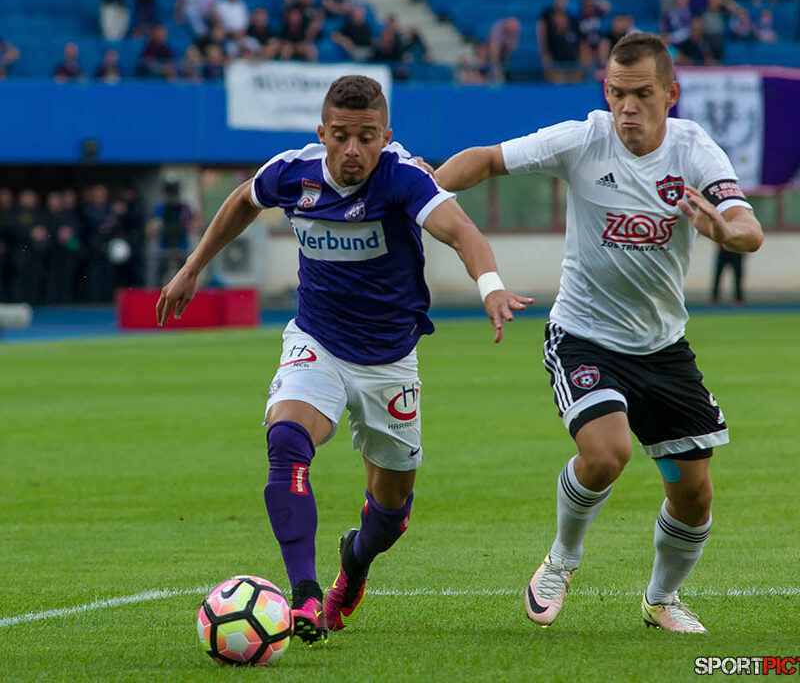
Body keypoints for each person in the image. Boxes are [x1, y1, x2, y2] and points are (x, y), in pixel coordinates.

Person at [156, 75, 531, 645]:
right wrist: (192, 266)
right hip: (318, 342)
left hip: (389, 364)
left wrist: (491, 287)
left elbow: (462, 232)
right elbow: (241, 201)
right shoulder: (293, 172)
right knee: (286, 440)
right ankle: (304, 596)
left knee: (389, 512)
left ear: (386, 136)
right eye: (340, 136)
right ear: (321, 134)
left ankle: (352, 565)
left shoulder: (404, 178)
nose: (352, 150)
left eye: (366, 137)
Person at [433, 33, 763, 633]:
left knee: (693, 495)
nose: (627, 107)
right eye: (617, 93)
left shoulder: (694, 150)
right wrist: (425, 199)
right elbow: (483, 159)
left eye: (642, 94)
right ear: (605, 91)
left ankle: (661, 600)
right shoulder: (584, 139)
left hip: (663, 348)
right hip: (583, 336)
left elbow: (747, 227)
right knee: (606, 454)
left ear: (671, 94)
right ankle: (561, 559)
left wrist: (724, 231)